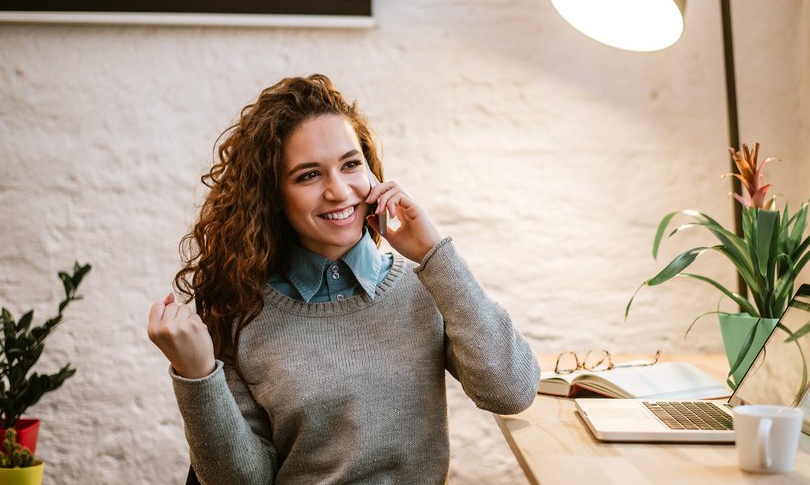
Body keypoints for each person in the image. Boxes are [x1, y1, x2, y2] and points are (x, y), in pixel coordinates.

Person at [146, 74, 540, 485]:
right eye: (308, 175)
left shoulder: (426, 285)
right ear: (272, 196)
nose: (339, 191)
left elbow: (511, 391)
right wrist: (197, 375)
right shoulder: (242, 314)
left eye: (351, 165)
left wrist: (434, 254)